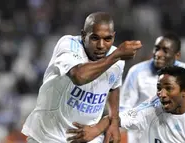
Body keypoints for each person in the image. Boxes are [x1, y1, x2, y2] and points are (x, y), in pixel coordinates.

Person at [21, 12, 142, 143]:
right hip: (48, 136)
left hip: (87, 137)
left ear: (113, 37)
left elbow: (114, 87)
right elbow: (79, 76)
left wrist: (113, 122)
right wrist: (115, 55)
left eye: (107, 39)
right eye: (95, 38)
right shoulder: (68, 44)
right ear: (84, 35)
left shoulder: (117, 59)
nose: (101, 45)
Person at [67, 66, 185, 143]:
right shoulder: (153, 108)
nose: (162, 93)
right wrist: (96, 129)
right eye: (159, 88)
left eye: (169, 88)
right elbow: (116, 119)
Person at [119, 33, 185, 143]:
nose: (158, 54)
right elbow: (124, 107)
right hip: (142, 136)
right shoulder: (137, 72)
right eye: (157, 48)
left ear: (177, 55)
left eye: (165, 50)